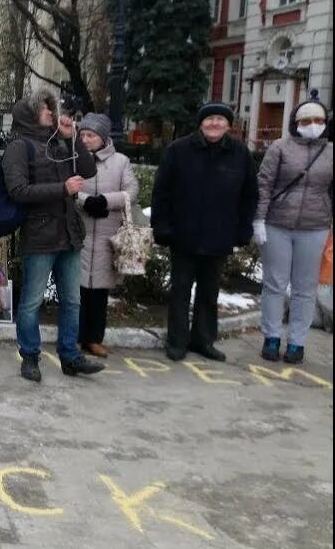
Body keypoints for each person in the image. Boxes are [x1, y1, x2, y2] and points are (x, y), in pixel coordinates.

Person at [2, 90, 104, 381]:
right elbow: (18, 190)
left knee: (72, 300)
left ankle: (70, 356)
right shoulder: (19, 147)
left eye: (51, 107)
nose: (51, 112)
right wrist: (63, 189)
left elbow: (87, 170)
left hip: (69, 233)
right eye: (46, 108)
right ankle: (30, 355)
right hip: (39, 234)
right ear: (31, 113)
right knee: (32, 301)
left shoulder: (58, 143)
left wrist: (73, 137)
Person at [152, 102, 258, 363]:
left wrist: (244, 229)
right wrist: (162, 227)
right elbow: (161, 192)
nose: (214, 124)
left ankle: (203, 340)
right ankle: (177, 341)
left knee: (210, 292)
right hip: (183, 235)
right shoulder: (178, 150)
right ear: (200, 123)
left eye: (220, 120)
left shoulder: (240, 153)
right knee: (180, 290)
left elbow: (249, 196)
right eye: (209, 119)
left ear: (228, 125)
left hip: (219, 236)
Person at [254, 101, 331, 365]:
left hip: (315, 226)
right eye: (306, 121)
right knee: (274, 283)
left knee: (305, 287)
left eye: (318, 121)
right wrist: (259, 220)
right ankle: (272, 337)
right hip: (277, 224)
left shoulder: (331, 151)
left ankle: (297, 341)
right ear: (296, 123)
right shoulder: (280, 148)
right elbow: (264, 184)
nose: (313, 126)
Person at [73, 113, 138, 358]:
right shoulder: (75, 158)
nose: (86, 139)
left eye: (91, 135)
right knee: (77, 291)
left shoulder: (120, 162)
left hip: (108, 235)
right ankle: (76, 337)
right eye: (83, 135)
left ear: (103, 137)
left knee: (100, 292)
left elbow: (132, 191)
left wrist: (106, 201)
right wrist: (85, 201)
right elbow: (66, 186)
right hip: (81, 232)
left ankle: (94, 338)